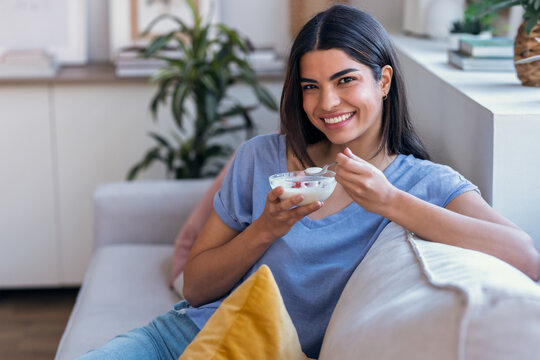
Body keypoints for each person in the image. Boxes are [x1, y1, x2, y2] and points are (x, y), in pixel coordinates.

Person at [79, 4, 540, 359]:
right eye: (310, 86)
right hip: (181, 338)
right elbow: (195, 288)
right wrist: (265, 228)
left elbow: (525, 256)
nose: (327, 102)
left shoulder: (421, 181)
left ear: (383, 81)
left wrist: (391, 201)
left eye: (345, 80)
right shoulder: (259, 158)